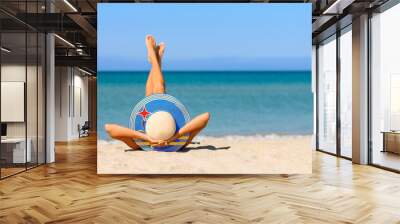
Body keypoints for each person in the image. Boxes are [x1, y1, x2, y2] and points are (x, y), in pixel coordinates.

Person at [105, 35, 210, 150]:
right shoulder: (179, 143)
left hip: (149, 130)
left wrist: (146, 137)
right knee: (158, 90)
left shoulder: (139, 144)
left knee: (153, 95)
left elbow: (109, 128)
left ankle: (155, 59)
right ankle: (155, 59)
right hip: (169, 132)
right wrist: (176, 136)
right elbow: (205, 117)